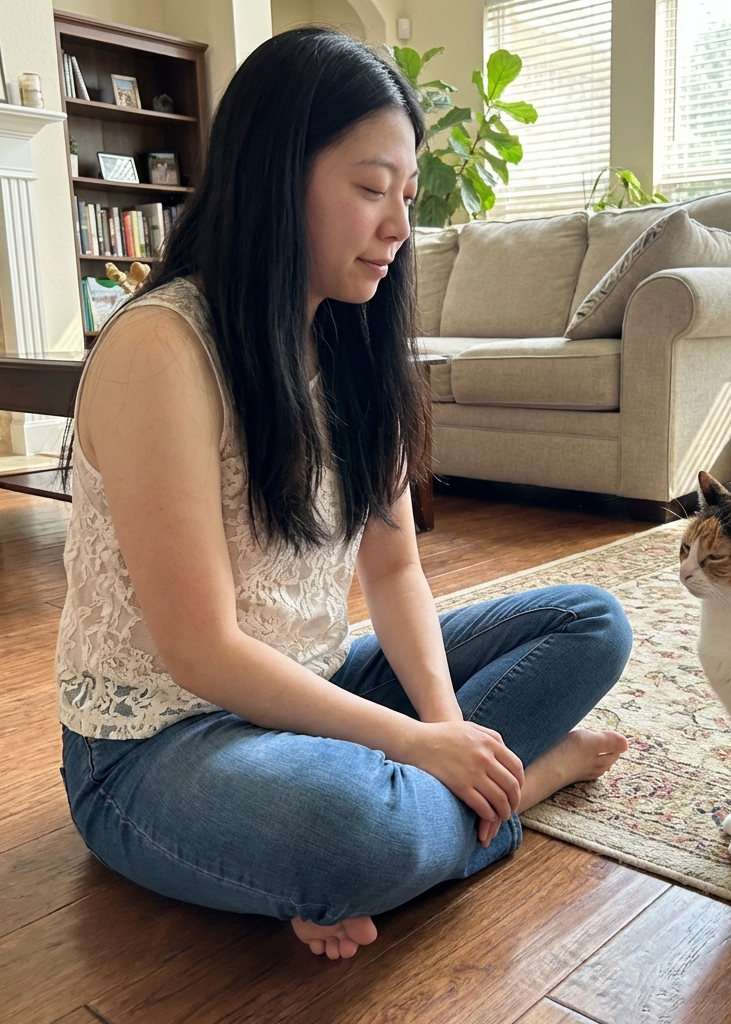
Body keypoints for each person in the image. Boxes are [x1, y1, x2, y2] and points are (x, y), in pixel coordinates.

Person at [57, 29, 632, 961]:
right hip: (155, 743)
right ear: (274, 177)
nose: (399, 226)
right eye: (372, 189)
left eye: (407, 195)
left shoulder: (355, 345)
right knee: (362, 835)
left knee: (591, 622)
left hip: (311, 682)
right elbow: (200, 652)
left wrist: (444, 732)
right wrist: (416, 750)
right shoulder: (161, 348)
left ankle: (408, 817)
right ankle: (518, 789)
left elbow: (395, 569)